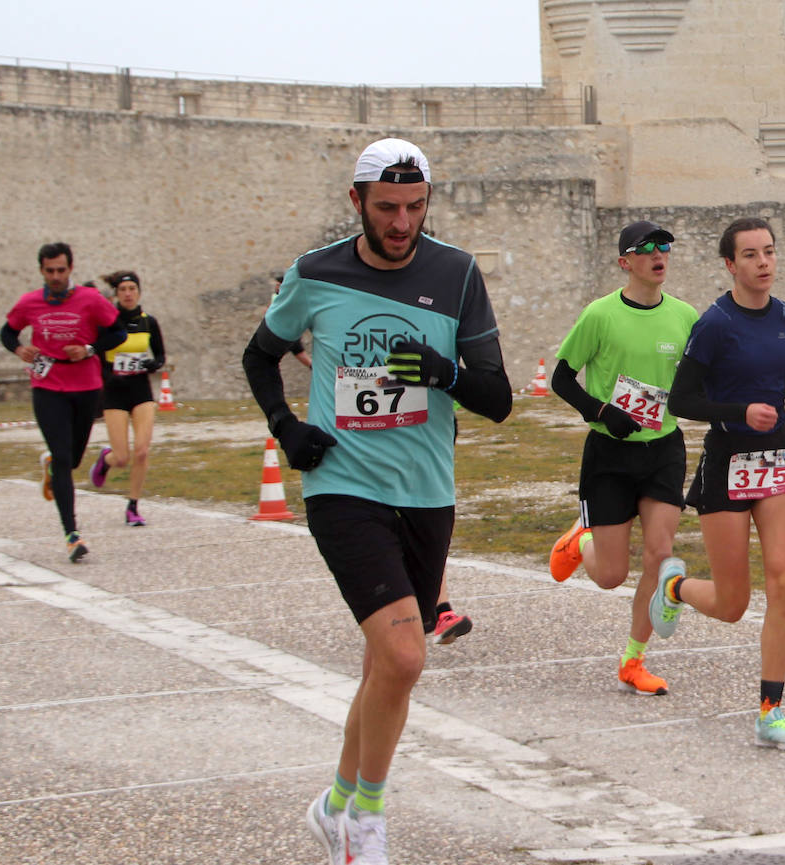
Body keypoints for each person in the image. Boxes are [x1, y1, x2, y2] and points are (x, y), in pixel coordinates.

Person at [241, 138, 512, 865]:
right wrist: (286, 427)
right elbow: (259, 354)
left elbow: (499, 398)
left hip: (426, 491)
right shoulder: (315, 272)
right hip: (342, 484)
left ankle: (332, 803)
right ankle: (367, 821)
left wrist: (444, 369)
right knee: (403, 652)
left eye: (416, 208)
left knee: (383, 666)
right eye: (387, 208)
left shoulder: (455, 273)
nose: (402, 223)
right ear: (355, 200)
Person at [649, 216, 785, 750]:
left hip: (776, 457)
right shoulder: (714, 324)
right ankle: (674, 587)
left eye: (769, 252)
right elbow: (681, 401)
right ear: (730, 265)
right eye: (750, 255)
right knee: (732, 605)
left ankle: (771, 714)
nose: (763, 262)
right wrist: (739, 411)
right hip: (727, 459)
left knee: (784, 581)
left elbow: (779, 374)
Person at [547, 221, 701, 696]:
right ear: (625, 261)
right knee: (611, 576)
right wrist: (601, 413)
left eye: (666, 247)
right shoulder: (600, 315)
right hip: (609, 455)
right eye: (648, 248)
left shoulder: (685, 316)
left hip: (664, 450)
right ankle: (580, 540)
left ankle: (634, 661)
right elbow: (561, 378)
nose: (659, 255)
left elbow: (708, 374)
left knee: (659, 555)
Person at [1, 242, 125, 562]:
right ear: (41, 271)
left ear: (71, 269)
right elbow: (7, 332)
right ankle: (72, 534)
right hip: (47, 384)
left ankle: (53, 467)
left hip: (85, 385)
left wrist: (89, 349)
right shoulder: (29, 303)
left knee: (71, 461)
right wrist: (19, 350)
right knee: (61, 455)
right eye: (49, 271)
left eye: (61, 270)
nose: (55, 276)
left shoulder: (90, 300)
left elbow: (118, 333)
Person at [88, 270, 166, 527]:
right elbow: (96, 357)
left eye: (132, 288)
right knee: (122, 458)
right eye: (123, 290)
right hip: (114, 391)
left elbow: (160, 357)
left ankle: (133, 506)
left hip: (141, 390)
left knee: (142, 451)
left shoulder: (148, 322)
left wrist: (152, 364)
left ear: (139, 292)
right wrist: (109, 376)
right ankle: (106, 459)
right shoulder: (107, 323)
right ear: (117, 295)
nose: (128, 293)